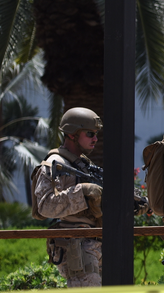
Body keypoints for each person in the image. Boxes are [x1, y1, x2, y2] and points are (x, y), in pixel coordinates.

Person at [32, 107, 104, 287]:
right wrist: (81, 191)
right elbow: (45, 205)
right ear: (72, 134)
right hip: (77, 247)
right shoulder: (54, 164)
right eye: (90, 133)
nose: (95, 138)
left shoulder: (84, 165)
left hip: (97, 244)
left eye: (95, 134)